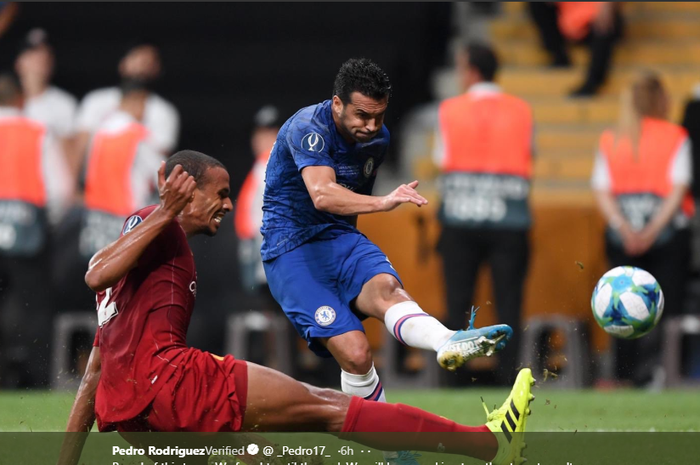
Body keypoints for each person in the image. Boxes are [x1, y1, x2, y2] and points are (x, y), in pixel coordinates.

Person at [58, 150, 535, 465]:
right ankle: (489, 442)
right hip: (173, 385)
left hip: (132, 416)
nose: (226, 204)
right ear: (186, 191)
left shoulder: (134, 263)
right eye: (220, 193)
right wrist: (166, 210)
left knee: (261, 454)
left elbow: (95, 372)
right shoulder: (154, 226)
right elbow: (94, 272)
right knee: (330, 408)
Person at [260, 57, 513, 458]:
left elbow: (343, 207)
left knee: (387, 288)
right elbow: (323, 194)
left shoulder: (378, 139)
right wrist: (386, 201)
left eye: (379, 116)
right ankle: (387, 446)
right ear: (337, 104)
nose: (371, 126)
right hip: (291, 249)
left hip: (340, 237)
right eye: (362, 115)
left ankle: (448, 341)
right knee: (357, 353)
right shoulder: (308, 127)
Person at [433, 43, 533, 386]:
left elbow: (441, 157)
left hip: (460, 220)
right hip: (510, 220)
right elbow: (528, 154)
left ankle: (454, 377)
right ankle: (510, 379)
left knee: (458, 301)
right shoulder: (521, 111)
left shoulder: (449, 110)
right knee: (509, 305)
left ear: (472, 71)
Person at [591, 73, 693, 387]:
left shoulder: (613, 137)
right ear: (661, 99)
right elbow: (678, 188)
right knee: (670, 308)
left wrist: (626, 229)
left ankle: (623, 375)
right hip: (667, 238)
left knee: (620, 306)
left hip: (623, 240)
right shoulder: (675, 136)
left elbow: (602, 189)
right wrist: (651, 231)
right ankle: (669, 372)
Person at [0, 72, 65, 387]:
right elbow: (60, 189)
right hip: (29, 233)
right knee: (35, 310)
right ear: (20, 100)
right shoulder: (37, 132)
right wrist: (45, 220)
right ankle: (37, 381)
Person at [78, 83, 164, 261]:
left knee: (98, 274)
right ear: (135, 101)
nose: (145, 112)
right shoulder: (138, 135)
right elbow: (160, 173)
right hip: (127, 219)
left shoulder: (100, 133)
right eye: (144, 105)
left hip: (96, 218)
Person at [72, 40, 179, 178]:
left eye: (148, 62)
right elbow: (79, 147)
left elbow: (160, 164)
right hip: (94, 188)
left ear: (157, 69)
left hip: (140, 193)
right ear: (123, 64)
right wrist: (73, 190)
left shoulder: (164, 111)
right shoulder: (96, 100)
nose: (141, 67)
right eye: (137, 59)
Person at [14, 28, 77, 225]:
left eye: (46, 53)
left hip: (47, 203)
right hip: (9, 196)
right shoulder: (6, 100)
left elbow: (71, 159)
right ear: (19, 62)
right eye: (33, 53)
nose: (41, 58)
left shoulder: (64, 104)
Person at [528, 2, 623, 97]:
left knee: (605, 28)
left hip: (596, 20)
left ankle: (593, 81)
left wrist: (608, 8)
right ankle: (560, 57)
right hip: (569, 22)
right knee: (536, 4)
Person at [235, 105, 281, 295]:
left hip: (273, 249)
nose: (260, 140)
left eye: (269, 133)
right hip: (256, 247)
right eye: (259, 133)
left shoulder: (279, 164)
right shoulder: (262, 165)